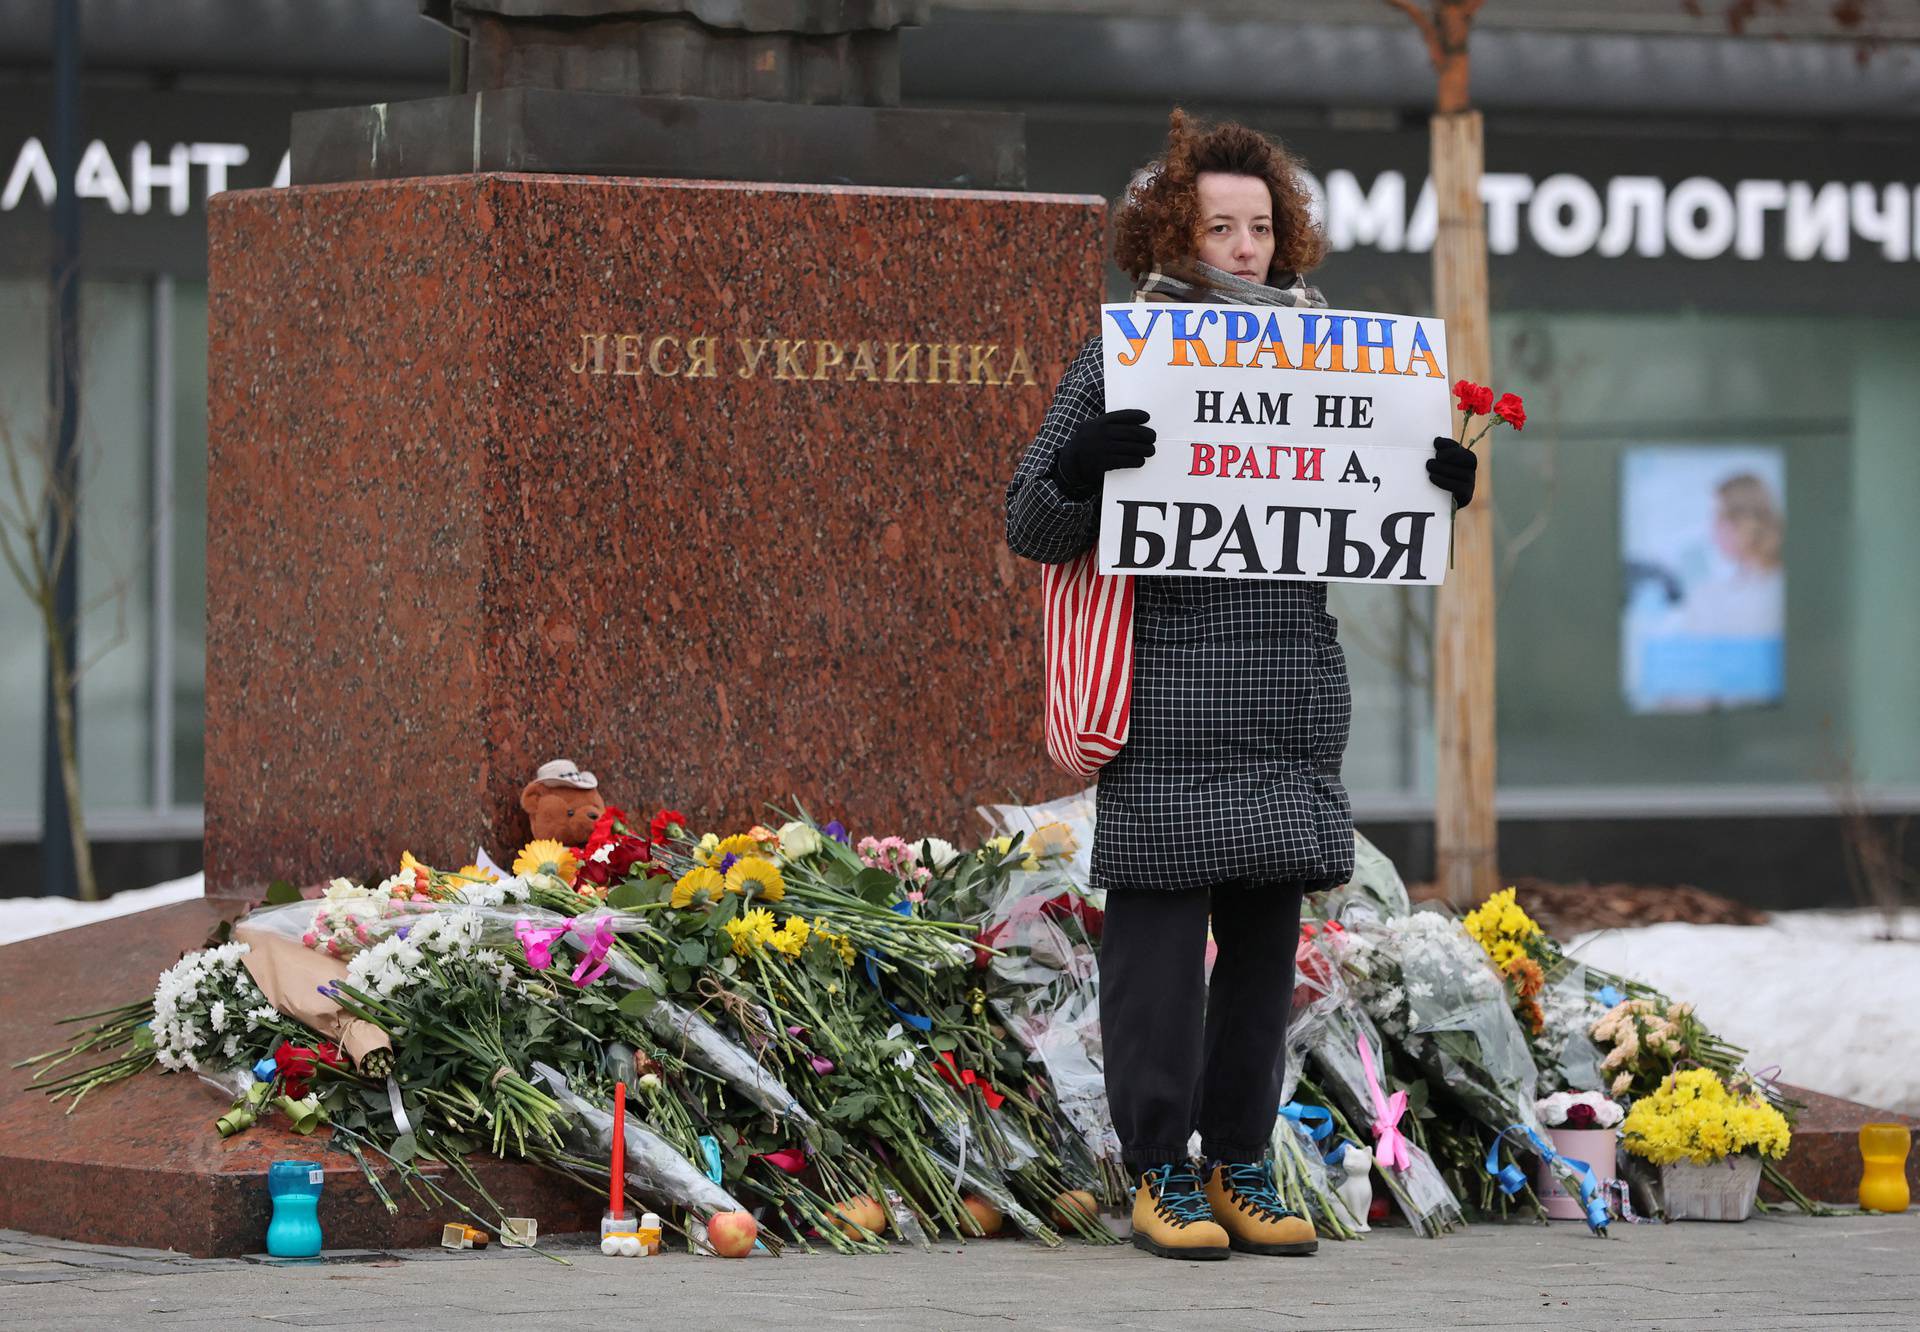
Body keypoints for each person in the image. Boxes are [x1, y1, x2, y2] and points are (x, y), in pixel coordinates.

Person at [1003, 110, 1477, 1261]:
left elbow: (1368, 524)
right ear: (1177, 232)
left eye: (1261, 226)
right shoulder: (1134, 350)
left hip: (1285, 702)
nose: (1246, 247)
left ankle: (1241, 1165)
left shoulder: (1335, 356)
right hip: (1169, 697)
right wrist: (1080, 465)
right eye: (1221, 227)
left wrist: (1436, 490)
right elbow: (1031, 518)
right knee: (1158, 961)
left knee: (1264, 955)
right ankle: (1161, 1170)